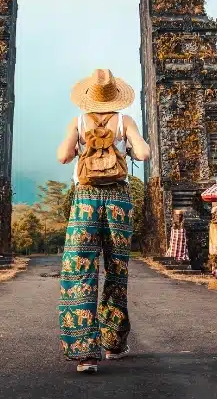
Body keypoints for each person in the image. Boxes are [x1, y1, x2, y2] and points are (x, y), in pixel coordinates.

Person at [56, 69, 150, 373]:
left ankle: (85, 354)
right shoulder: (124, 121)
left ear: (88, 98)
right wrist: (130, 145)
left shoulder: (78, 122)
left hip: (85, 199)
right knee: (116, 268)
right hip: (119, 201)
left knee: (79, 269)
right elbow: (145, 153)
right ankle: (113, 343)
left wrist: (77, 149)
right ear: (115, 96)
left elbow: (61, 156)